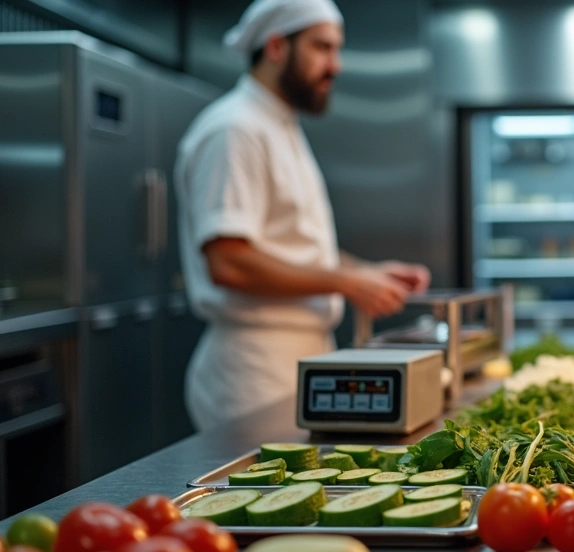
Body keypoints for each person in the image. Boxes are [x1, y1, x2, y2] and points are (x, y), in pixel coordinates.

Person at [175, 0, 430, 433]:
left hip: (298, 357)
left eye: (337, 50)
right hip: (255, 368)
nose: (336, 65)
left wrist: (367, 272)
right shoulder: (235, 129)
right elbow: (228, 261)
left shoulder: (279, 127)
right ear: (276, 46)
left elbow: (293, 246)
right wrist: (347, 282)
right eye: (322, 48)